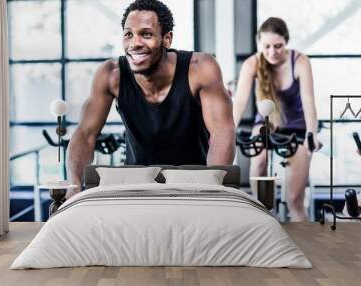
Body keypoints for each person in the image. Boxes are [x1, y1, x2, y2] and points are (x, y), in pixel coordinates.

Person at [66, 0, 235, 199]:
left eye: (146, 34)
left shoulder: (200, 68)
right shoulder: (111, 74)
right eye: (128, 34)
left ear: (167, 39)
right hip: (136, 186)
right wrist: (75, 185)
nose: (134, 43)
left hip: (194, 185)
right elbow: (85, 135)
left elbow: (222, 132)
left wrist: (211, 187)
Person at [233, 17, 320, 221]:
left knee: (294, 201)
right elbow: (239, 103)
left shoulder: (300, 61)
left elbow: (309, 102)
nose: (272, 52)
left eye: (278, 46)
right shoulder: (252, 64)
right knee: (259, 162)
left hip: (297, 128)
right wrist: (226, 135)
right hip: (266, 124)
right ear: (259, 44)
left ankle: (304, 248)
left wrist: (312, 134)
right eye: (267, 46)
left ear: (286, 42)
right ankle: (263, 215)